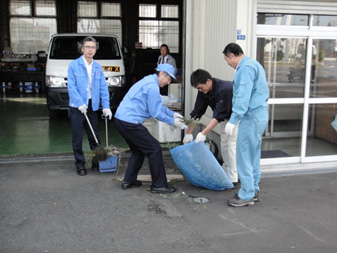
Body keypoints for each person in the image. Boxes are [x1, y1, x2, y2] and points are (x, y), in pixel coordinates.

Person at [114, 63, 187, 194]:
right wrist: (173, 122)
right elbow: (156, 113)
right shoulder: (152, 87)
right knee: (154, 149)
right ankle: (159, 185)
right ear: (160, 74)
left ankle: (128, 181)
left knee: (138, 151)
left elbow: (157, 106)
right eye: (168, 79)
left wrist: (173, 114)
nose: (168, 82)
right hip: (130, 122)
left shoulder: (148, 81)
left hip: (122, 120)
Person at [223, 43, 269, 207]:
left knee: (243, 157)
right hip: (259, 116)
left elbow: (243, 96)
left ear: (232, 55)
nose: (228, 64)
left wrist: (234, 119)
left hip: (251, 117)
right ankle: (253, 190)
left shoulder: (246, 68)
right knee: (253, 155)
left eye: (227, 60)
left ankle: (247, 194)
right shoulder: (254, 64)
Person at [182, 69, 239, 185]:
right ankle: (226, 168)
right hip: (226, 117)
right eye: (198, 89)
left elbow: (218, 116)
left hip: (238, 117)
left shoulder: (225, 89)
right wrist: (189, 132)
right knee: (224, 142)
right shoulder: (204, 91)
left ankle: (234, 175)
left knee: (232, 144)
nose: (200, 90)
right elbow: (197, 112)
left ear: (208, 81)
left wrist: (203, 133)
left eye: (201, 87)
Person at [67, 36, 112, 176]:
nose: (90, 50)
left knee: (95, 137)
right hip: (77, 107)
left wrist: (106, 106)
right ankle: (80, 164)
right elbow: (71, 87)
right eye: (88, 47)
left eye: (93, 47)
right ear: (82, 49)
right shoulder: (74, 65)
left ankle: (96, 162)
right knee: (77, 138)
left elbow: (103, 88)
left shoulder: (97, 67)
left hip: (92, 107)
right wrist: (79, 103)